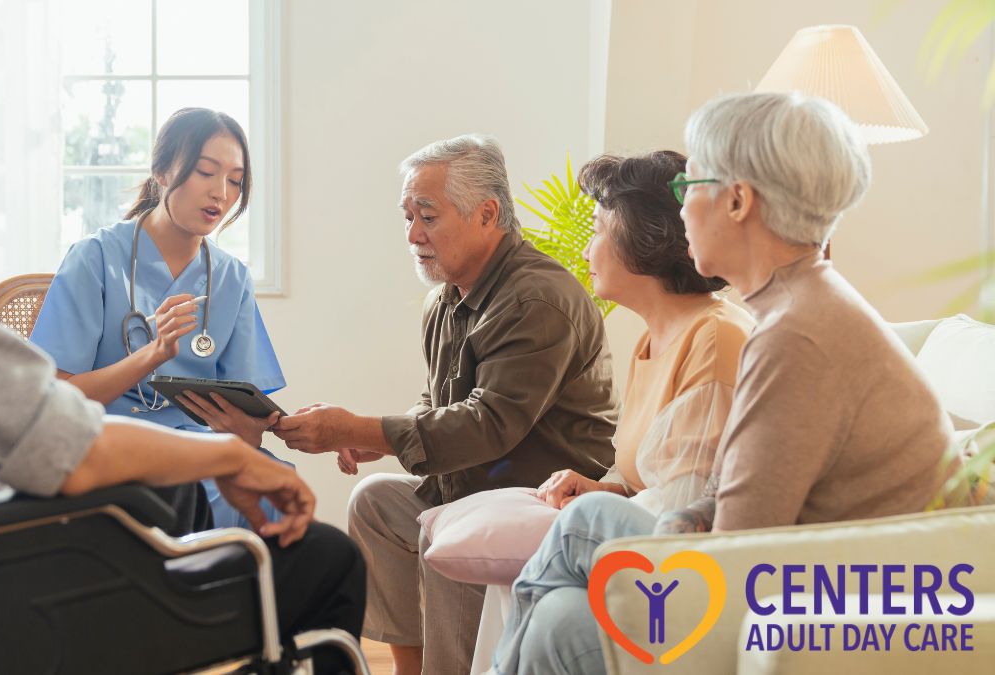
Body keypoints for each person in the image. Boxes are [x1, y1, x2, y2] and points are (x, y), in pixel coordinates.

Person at [0, 1, 363, 670]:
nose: (220, 190)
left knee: (180, 496)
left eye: (234, 180)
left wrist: (247, 440)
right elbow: (65, 445)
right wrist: (230, 458)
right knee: (331, 560)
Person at [491, 92, 959, 675]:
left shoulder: (796, 336)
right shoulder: (803, 307)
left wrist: (660, 523)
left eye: (691, 188)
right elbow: (737, 503)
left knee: (578, 539)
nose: (680, 211)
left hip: (820, 613)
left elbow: (738, 554)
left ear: (738, 201)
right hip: (806, 586)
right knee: (560, 613)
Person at [273, 134, 620, 675]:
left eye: (427, 217)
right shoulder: (448, 300)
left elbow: (488, 424)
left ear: (486, 214)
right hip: (471, 488)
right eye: (407, 217)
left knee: (448, 531)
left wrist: (362, 428)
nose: (413, 235)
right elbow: (439, 404)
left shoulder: (535, 299)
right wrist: (367, 437)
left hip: (536, 499)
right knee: (375, 504)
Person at [486, 150, 752, 673]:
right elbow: (656, 475)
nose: (587, 247)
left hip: (699, 569)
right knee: (556, 615)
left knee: (581, 522)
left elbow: (692, 507)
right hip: (660, 545)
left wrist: (598, 507)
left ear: (642, 240)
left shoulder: (716, 337)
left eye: (599, 229)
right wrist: (607, 489)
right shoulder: (652, 340)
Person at [30, 106, 289, 531]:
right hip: (107, 443)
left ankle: (250, 598)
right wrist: (152, 355)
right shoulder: (95, 259)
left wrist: (251, 430)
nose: (221, 193)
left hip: (200, 447)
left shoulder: (230, 278)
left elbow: (243, 417)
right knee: (196, 495)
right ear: (162, 171)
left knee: (276, 486)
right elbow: (57, 400)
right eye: (206, 172)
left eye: (235, 181)